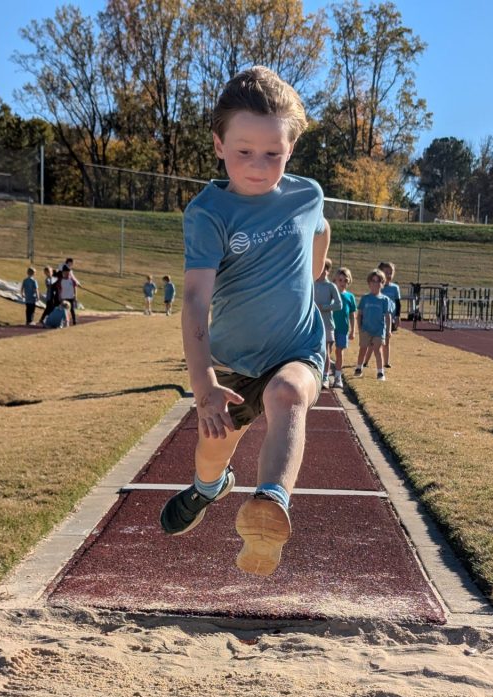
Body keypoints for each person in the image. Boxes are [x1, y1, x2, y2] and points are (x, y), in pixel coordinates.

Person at [159, 65, 330, 577]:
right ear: (218, 143)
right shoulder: (209, 213)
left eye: (273, 154)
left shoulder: (308, 195)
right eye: (244, 152)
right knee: (212, 456)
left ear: (291, 149)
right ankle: (210, 487)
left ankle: (270, 506)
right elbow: (194, 299)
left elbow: (319, 230)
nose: (259, 166)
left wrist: (315, 269)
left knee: (287, 395)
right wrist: (203, 384)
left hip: (295, 350)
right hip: (229, 366)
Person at [354, 268, 394, 381]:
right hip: (366, 329)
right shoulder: (365, 298)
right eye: (373, 281)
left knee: (377, 350)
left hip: (379, 330)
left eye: (378, 281)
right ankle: (358, 367)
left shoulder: (385, 300)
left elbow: (387, 316)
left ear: (382, 284)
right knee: (363, 349)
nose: (375, 284)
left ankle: (380, 372)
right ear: (369, 283)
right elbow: (360, 314)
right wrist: (360, 327)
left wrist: (389, 330)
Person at [314, 258, 342, 388]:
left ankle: (325, 377)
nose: (322, 271)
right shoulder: (311, 283)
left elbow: (339, 305)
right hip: (312, 323)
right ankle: (315, 376)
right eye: (320, 267)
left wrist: (324, 307)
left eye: (325, 268)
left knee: (326, 351)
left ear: (328, 271)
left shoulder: (331, 286)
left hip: (327, 324)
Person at [331, 267, 357, 389]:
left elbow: (352, 314)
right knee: (327, 351)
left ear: (348, 281)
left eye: (345, 280)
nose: (342, 283)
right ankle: (324, 375)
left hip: (343, 328)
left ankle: (337, 377)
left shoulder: (350, 296)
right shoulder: (331, 293)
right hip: (330, 327)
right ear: (335, 280)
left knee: (339, 352)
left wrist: (353, 330)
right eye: (340, 280)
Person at [379, 261, 401, 369]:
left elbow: (398, 303)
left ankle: (386, 362)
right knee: (374, 341)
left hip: (389, 318)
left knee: (387, 339)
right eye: (386, 272)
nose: (388, 275)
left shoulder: (395, 288)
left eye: (391, 272)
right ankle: (366, 360)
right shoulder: (378, 286)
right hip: (377, 317)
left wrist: (397, 316)